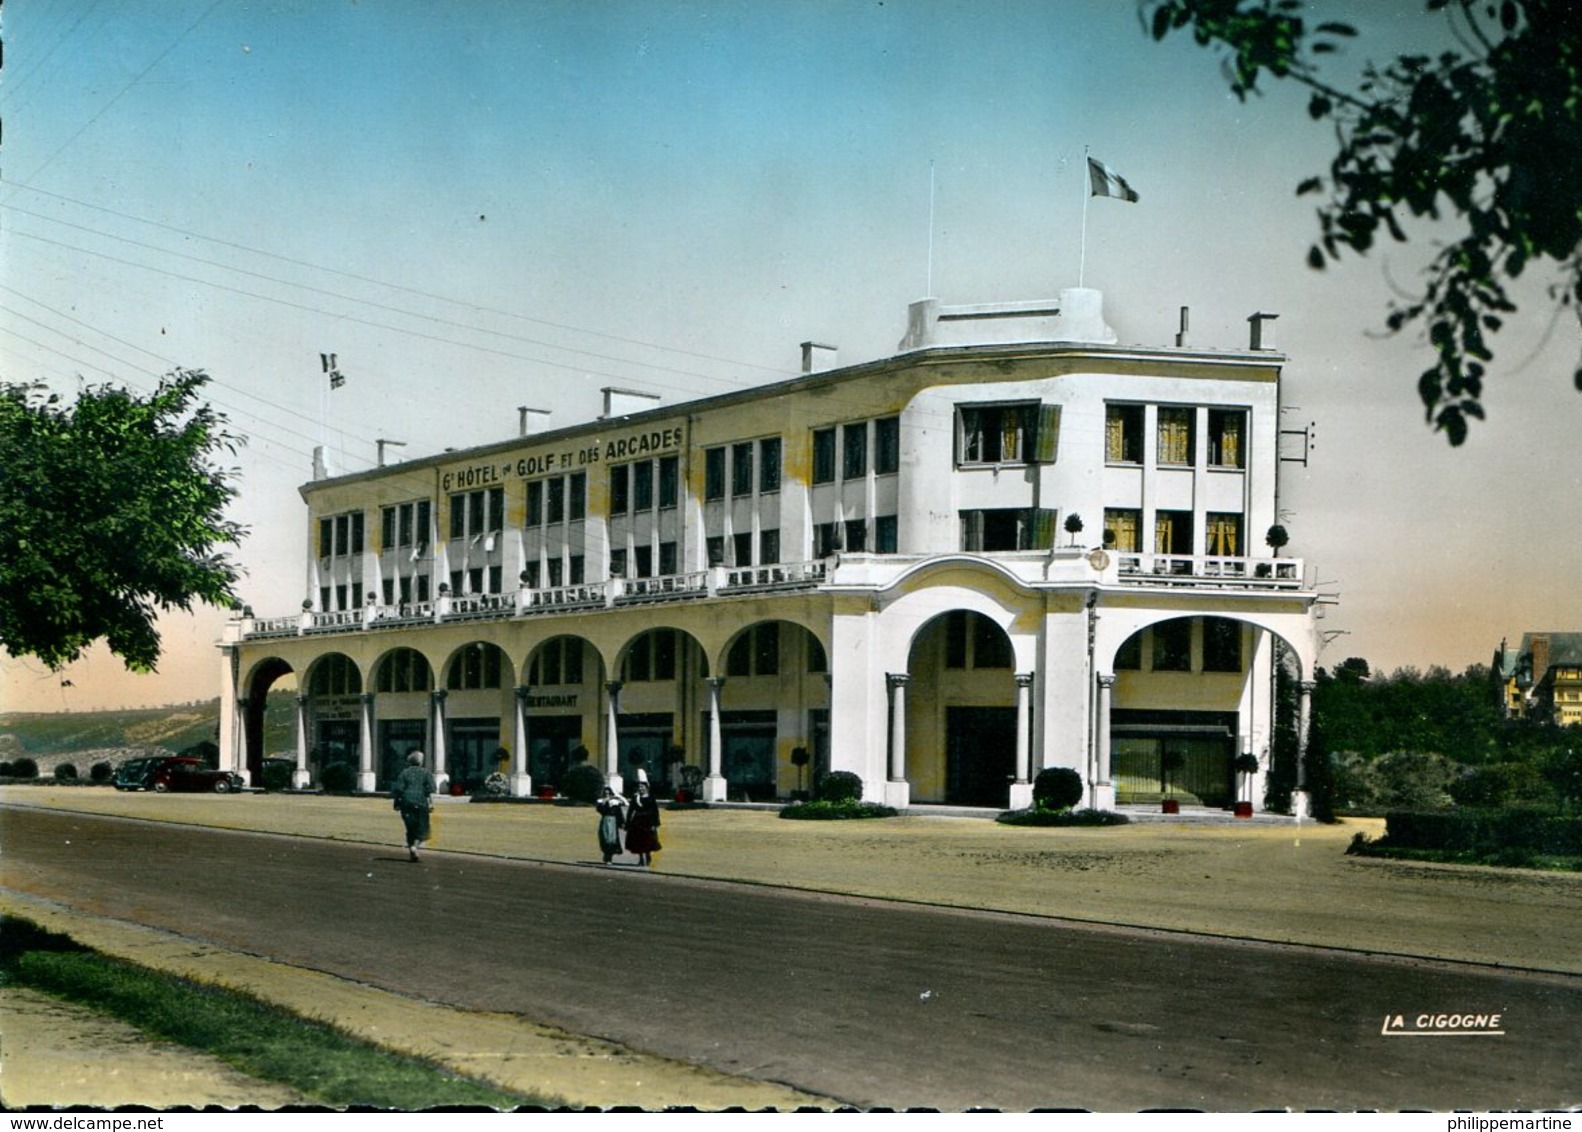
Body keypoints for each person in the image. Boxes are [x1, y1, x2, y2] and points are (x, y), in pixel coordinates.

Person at [392, 751, 436, 862]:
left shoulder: (404, 773)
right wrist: (431, 802)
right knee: (423, 828)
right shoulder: (426, 773)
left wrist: (396, 803)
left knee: (410, 828)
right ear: (421, 761)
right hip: (420, 803)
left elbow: (398, 790)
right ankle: (414, 847)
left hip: (406, 803)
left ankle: (412, 848)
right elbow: (431, 789)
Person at [624, 781, 662, 867]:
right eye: (639, 787)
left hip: (648, 821)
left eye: (642, 787)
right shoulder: (635, 798)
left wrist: (655, 823)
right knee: (638, 841)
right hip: (637, 821)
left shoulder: (651, 798)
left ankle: (648, 857)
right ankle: (641, 859)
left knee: (648, 840)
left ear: (646, 787)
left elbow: (655, 811)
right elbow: (630, 811)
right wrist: (628, 822)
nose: (641, 788)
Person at [595, 785, 626, 864]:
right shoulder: (600, 802)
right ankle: (606, 855)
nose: (607, 795)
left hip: (613, 822)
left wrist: (622, 823)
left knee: (612, 840)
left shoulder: (615, 802)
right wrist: (605, 802)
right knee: (605, 839)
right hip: (605, 821)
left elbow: (619, 813)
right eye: (606, 793)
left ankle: (609, 857)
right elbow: (600, 810)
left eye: (609, 793)